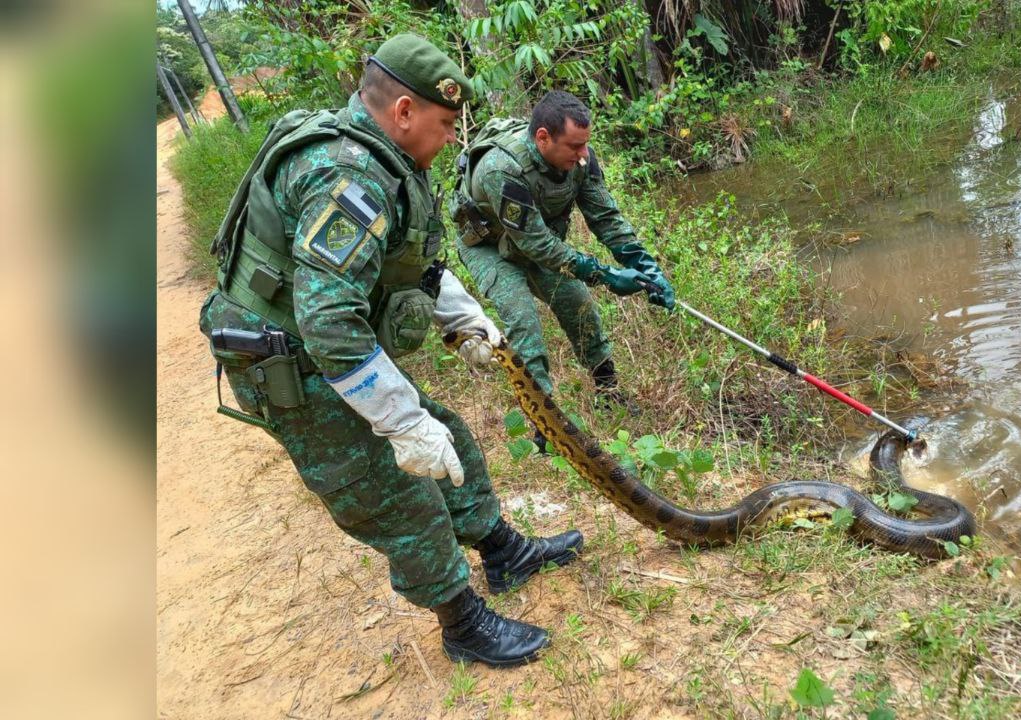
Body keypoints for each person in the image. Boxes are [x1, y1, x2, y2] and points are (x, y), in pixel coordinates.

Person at [197, 34, 581, 668]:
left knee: (449, 436)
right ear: (404, 111)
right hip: (286, 361)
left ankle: (504, 553)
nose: (454, 139)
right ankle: (462, 622)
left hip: (320, 347)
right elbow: (328, 324)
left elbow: (409, 260)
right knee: (397, 489)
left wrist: (463, 317)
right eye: (447, 124)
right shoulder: (347, 176)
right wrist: (400, 421)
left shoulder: (384, 161)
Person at [449, 90, 675, 446]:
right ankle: (545, 423)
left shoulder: (581, 160)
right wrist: (606, 275)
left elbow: (606, 218)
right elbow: (536, 243)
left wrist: (645, 266)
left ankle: (608, 390)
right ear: (543, 138)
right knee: (523, 320)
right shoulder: (501, 169)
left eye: (585, 145)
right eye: (573, 146)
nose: (583, 154)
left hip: (536, 240)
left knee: (578, 304)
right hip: (489, 246)